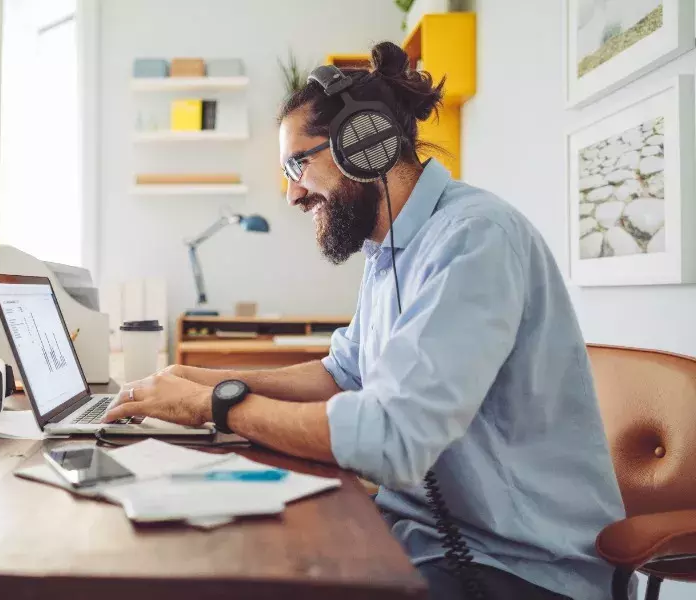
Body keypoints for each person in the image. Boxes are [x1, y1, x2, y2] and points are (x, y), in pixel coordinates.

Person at [103, 41, 625, 600]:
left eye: (296, 164)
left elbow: (390, 439)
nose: (291, 193)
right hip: (418, 535)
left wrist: (215, 405)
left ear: (364, 143)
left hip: (516, 566)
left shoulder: (476, 238)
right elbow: (342, 374)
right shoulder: (388, 252)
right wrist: (197, 378)